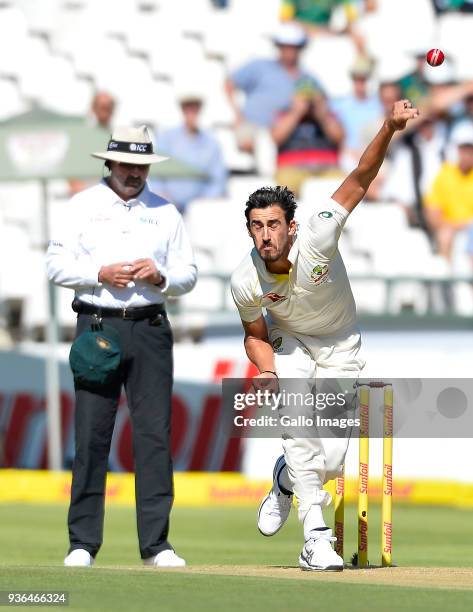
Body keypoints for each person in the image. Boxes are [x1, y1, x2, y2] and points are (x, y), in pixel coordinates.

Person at [231, 99, 418, 571]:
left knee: (330, 460)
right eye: (257, 227)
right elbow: (254, 335)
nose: (265, 235)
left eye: (273, 224)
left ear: (291, 227)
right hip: (288, 342)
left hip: (341, 345)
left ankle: (284, 480)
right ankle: (314, 536)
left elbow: (359, 177)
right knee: (297, 419)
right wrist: (268, 370)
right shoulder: (245, 280)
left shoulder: (319, 234)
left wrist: (390, 127)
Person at [46, 126, 197, 568]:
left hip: (150, 327)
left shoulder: (165, 211)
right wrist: (99, 273)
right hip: (97, 326)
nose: (134, 173)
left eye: (141, 165)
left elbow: (188, 273)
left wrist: (161, 276)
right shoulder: (83, 206)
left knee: (154, 437)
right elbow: (55, 263)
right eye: (127, 164)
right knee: (91, 435)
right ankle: (82, 543)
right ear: (109, 163)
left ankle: (156, 545)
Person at [225, 23, 319, 152]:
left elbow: (321, 102)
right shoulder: (260, 65)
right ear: (278, 47)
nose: (290, 51)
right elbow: (229, 84)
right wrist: (236, 113)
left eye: (294, 47)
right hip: (252, 126)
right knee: (252, 143)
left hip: (286, 134)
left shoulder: (307, 78)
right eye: (285, 46)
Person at [151, 92, 227, 213]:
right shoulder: (166, 138)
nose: (191, 111)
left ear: (200, 109)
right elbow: (155, 174)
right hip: (167, 206)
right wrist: (163, 197)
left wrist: (202, 202)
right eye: (188, 107)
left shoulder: (212, 143)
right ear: (182, 109)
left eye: (195, 107)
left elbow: (218, 181)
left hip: (200, 209)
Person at [271, 78, 344, 195]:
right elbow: (277, 137)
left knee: (344, 186)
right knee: (285, 188)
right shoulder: (284, 115)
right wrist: (297, 112)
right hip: (291, 168)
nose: (308, 102)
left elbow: (338, 138)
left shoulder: (329, 116)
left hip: (327, 168)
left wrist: (321, 115)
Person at [424, 122, 473, 259]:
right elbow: (432, 213)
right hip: (451, 231)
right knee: (445, 234)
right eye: (464, 148)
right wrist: (456, 226)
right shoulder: (444, 175)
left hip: (468, 229)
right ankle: (447, 278)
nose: (467, 154)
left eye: (470, 149)